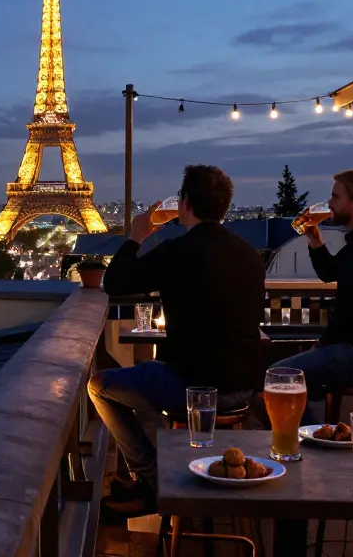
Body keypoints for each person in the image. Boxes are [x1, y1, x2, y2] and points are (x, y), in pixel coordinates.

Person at [88, 165, 265, 517]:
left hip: (193, 387)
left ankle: (152, 479)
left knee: (99, 386)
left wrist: (136, 236)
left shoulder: (178, 251)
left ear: (184, 204)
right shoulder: (249, 253)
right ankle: (154, 481)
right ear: (224, 207)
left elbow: (115, 282)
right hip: (244, 387)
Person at [269, 169, 353, 425]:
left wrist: (323, 344)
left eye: (335, 196)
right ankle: (311, 434)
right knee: (290, 376)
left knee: (280, 377)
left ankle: (308, 440)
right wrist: (314, 239)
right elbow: (329, 273)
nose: (329, 203)